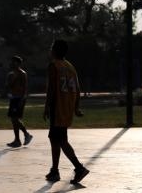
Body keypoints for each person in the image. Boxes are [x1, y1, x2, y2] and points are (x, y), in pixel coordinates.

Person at [44, 39, 90, 184]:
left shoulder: (54, 66)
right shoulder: (70, 66)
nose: (50, 50)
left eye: (51, 47)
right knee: (55, 138)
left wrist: (46, 106)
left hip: (57, 107)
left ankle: (79, 168)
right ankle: (54, 170)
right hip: (67, 107)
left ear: (55, 50)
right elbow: (77, 88)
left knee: (61, 140)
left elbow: (51, 88)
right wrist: (76, 107)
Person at [6, 55, 32, 147]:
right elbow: (9, 86)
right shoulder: (11, 74)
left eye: (13, 62)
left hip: (19, 98)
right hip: (14, 98)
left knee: (15, 119)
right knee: (14, 120)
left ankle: (25, 135)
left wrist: (22, 99)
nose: (11, 63)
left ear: (17, 63)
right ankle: (17, 140)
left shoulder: (22, 73)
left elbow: (25, 88)